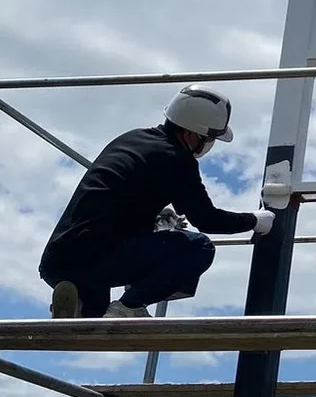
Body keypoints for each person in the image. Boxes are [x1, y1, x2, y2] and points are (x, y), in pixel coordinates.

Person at [39, 85, 274, 318]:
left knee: (95, 318)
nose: (209, 145)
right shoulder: (177, 160)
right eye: (209, 138)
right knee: (199, 247)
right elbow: (207, 220)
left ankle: (79, 304)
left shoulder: (131, 139)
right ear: (191, 134)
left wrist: (155, 224)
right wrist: (255, 221)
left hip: (58, 261)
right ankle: (130, 307)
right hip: (100, 259)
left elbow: (115, 200)